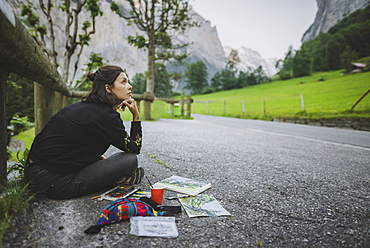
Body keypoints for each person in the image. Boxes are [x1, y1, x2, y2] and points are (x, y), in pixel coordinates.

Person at [25, 65, 144, 199]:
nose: (129, 86)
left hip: (33, 172)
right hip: (54, 183)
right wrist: (136, 116)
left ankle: (119, 178)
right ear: (108, 88)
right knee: (130, 160)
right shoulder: (106, 116)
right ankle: (118, 180)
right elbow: (134, 148)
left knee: (110, 161)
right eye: (123, 82)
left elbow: (70, 141)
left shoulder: (84, 107)